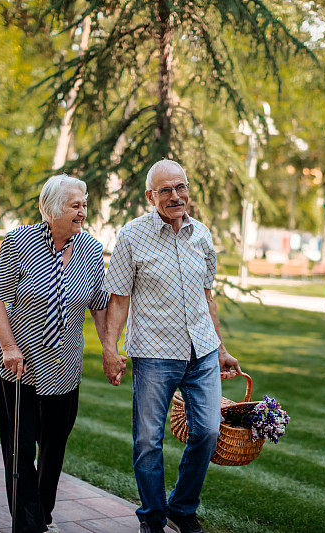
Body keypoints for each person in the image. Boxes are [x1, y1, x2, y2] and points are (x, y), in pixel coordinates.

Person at [101, 160, 242, 533]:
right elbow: (118, 298)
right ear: (150, 196)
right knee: (149, 440)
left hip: (203, 352)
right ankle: (152, 516)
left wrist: (221, 347)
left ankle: (182, 507)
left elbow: (207, 296)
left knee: (209, 432)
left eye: (180, 187)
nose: (175, 196)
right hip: (154, 353)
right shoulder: (131, 236)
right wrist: (111, 349)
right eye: (165, 190)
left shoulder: (202, 235)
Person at [0, 174, 109, 533]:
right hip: (20, 367)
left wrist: (108, 349)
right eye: (75, 206)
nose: (83, 212)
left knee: (54, 451)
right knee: (20, 452)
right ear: (52, 209)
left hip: (65, 368)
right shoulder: (19, 242)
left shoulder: (91, 249)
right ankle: (28, 525)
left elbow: (98, 305)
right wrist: (9, 347)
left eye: (85, 205)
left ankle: (41, 514)